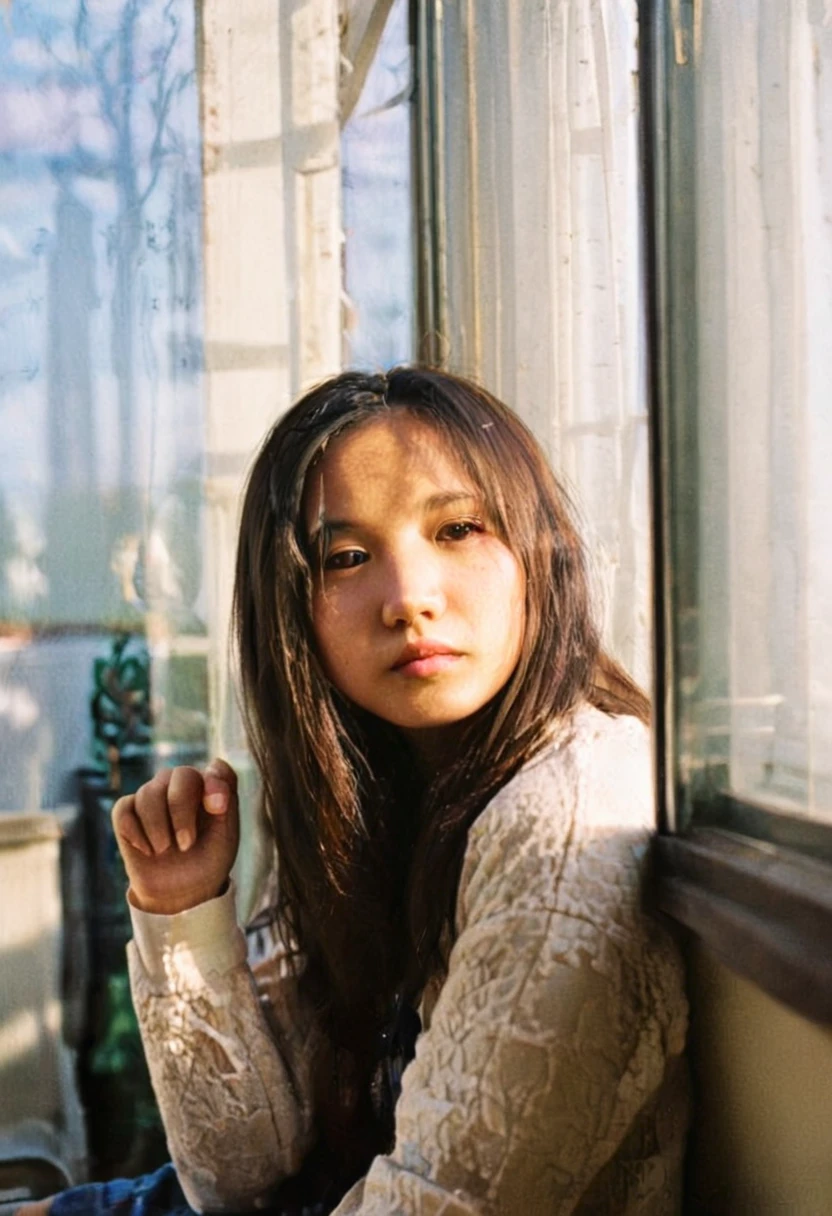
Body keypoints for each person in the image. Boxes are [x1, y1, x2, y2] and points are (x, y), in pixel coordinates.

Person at [25, 368, 688, 1216]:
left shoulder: (567, 815)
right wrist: (183, 911)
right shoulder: (383, 796)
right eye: (347, 557)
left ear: (537, 548)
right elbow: (237, 1180)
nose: (410, 600)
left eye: (457, 528)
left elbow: (439, 1201)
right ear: (293, 609)